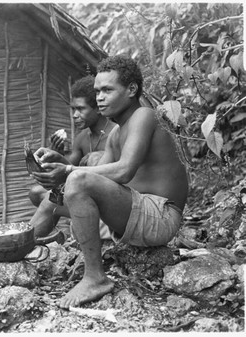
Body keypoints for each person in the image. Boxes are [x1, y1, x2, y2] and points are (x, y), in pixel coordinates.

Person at [30, 55, 188, 309]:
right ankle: (15, 246)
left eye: (107, 90)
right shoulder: (117, 132)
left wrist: (69, 170)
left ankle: (95, 277)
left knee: (77, 180)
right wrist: (58, 162)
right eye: (97, 91)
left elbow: (124, 171)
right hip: (135, 216)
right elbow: (95, 171)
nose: (99, 97)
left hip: (160, 216)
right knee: (57, 194)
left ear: (132, 90)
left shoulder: (144, 116)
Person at [29, 76, 115, 239]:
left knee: (52, 200)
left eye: (80, 109)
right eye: (73, 109)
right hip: (86, 192)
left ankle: (23, 242)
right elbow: (68, 173)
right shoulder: (83, 138)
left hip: (110, 199)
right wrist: (56, 154)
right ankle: (38, 238)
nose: (75, 115)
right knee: (36, 193)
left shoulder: (115, 133)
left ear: (98, 108)